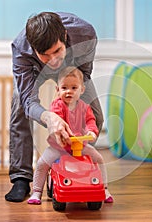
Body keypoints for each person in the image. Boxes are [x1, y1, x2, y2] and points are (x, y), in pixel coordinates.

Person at [5, 11, 104, 202]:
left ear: (65, 37)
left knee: (96, 115)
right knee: (19, 106)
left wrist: (73, 113)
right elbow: (29, 102)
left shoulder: (86, 34)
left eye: (56, 51)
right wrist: (50, 118)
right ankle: (21, 178)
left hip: (72, 68)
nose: (52, 60)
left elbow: (84, 74)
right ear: (33, 49)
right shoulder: (20, 49)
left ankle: (78, 164)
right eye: (44, 55)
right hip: (34, 71)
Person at [27, 67, 113, 204]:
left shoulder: (85, 107)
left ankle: (104, 188)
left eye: (74, 87)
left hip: (80, 146)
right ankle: (36, 192)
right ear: (58, 90)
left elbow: (91, 120)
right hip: (59, 147)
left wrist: (92, 131)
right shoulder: (57, 105)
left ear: (82, 90)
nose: (69, 91)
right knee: (42, 163)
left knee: (98, 159)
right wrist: (64, 133)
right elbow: (57, 118)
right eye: (64, 87)